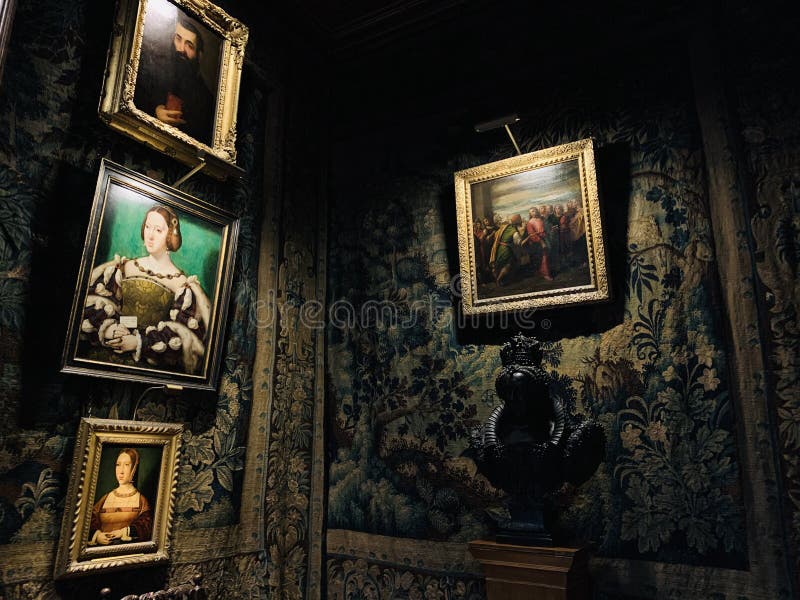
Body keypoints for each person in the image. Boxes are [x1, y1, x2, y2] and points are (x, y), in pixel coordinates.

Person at [80, 205, 210, 374]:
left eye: (158, 230)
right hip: (110, 352)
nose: (150, 235)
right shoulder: (125, 267)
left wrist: (137, 342)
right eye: (147, 227)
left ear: (171, 235)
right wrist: (111, 329)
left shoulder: (182, 284)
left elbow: (181, 334)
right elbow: (97, 303)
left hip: (150, 363)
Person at [134, 13, 216, 144]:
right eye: (178, 39)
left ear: (199, 55)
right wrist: (155, 112)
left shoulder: (206, 97)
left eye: (189, 45)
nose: (180, 49)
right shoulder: (152, 70)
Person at [88, 448, 153, 545]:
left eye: (126, 465)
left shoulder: (141, 500)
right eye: (118, 465)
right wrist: (97, 535)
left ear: (134, 468)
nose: (121, 471)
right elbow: (88, 522)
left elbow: (146, 526)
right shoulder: (105, 498)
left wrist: (123, 532)